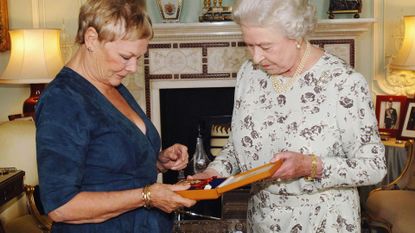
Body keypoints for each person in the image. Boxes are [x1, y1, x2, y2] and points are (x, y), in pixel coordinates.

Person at [191, 0, 386, 232]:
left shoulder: (343, 83)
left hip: (324, 222)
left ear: (296, 35)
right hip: (262, 219)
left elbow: (373, 166)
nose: (256, 58)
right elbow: (237, 145)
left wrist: (310, 165)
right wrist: (214, 173)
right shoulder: (249, 74)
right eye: (249, 45)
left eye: (265, 46)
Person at [35, 1, 195, 232]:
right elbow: (61, 205)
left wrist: (158, 161)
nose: (132, 68)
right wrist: (147, 196)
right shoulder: (62, 100)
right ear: (91, 39)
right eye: (125, 56)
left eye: (138, 58)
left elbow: (106, 168)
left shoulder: (112, 83)